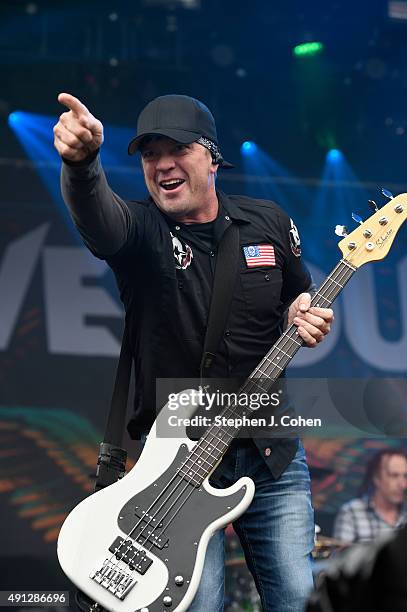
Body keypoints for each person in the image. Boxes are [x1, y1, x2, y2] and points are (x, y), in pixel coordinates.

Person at [53, 92, 334, 612]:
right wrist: (82, 164)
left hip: (269, 454)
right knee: (195, 607)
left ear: (211, 155)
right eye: (148, 155)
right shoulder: (140, 231)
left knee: (298, 597)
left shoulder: (268, 222)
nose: (162, 164)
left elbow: (300, 293)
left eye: (176, 149)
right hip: (175, 464)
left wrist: (306, 312)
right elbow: (96, 218)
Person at [333, 449, 407, 544]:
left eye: (405, 476)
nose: (403, 485)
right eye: (394, 475)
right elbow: (342, 558)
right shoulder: (352, 512)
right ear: (376, 478)